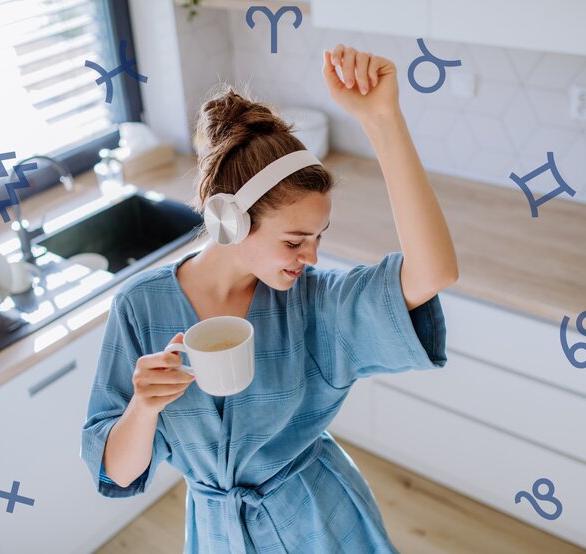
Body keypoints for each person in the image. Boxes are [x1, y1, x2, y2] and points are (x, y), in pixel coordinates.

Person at [81, 44, 459, 553]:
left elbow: (434, 272)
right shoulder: (140, 308)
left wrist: (384, 120)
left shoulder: (314, 305)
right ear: (229, 220)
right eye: (294, 240)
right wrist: (143, 408)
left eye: (319, 237)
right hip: (219, 535)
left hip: (321, 522)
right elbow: (117, 474)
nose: (312, 258)